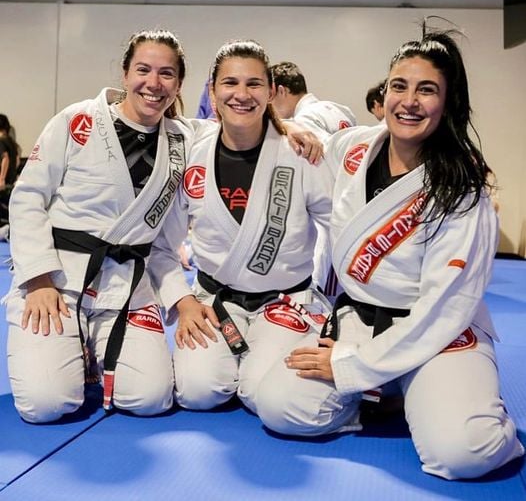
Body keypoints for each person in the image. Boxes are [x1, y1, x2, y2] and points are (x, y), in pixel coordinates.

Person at [255, 25, 525, 480]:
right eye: (399, 86)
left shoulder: (462, 186)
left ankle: (429, 389)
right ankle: (393, 392)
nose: (409, 101)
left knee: (464, 452)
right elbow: (310, 147)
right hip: (360, 320)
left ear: (449, 102)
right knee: (280, 405)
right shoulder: (356, 148)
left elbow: (446, 305)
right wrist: (291, 125)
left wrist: (354, 367)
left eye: (427, 90)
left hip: (436, 330)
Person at [5, 29, 209, 423]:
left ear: (179, 83)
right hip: (59, 282)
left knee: (150, 398)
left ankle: (88, 354)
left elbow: (237, 130)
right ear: (125, 73)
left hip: (128, 287)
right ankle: (71, 348)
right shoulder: (78, 120)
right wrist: (38, 280)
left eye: (166, 74)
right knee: (46, 404)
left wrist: (291, 130)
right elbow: (28, 197)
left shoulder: (185, 140)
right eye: (143, 70)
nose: (153, 83)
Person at [149, 40, 335, 420]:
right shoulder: (191, 149)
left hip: (284, 302)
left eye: (254, 84)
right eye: (230, 83)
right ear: (212, 91)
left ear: (271, 91)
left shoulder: (300, 153)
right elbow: (163, 246)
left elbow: (342, 232)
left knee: (258, 393)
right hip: (212, 302)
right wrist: (182, 301)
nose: (242, 94)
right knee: (197, 391)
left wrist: (342, 315)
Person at [271, 61, 357, 300]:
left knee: (328, 296)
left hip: (333, 215)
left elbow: (320, 165)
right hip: (351, 206)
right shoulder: (340, 110)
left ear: (281, 90)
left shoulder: (305, 121)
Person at [271, 61, 356, 138]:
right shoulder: (342, 109)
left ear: (282, 91)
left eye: (270, 97)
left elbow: (324, 150)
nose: (269, 106)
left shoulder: (303, 121)